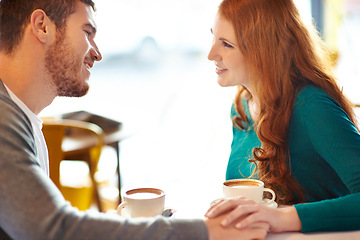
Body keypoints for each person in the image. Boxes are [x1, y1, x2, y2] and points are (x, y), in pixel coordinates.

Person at [0, 0, 271, 239]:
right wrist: (207, 231)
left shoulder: (19, 114)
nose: (97, 52)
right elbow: (52, 229)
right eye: (87, 32)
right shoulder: (4, 119)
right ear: (42, 26)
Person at [204, 0, 360, 234]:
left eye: (226, 44)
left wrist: (283, 217)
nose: (211, 54)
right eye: (214, 37)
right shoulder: (241, 106)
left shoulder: (310, 106)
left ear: (263, 50)